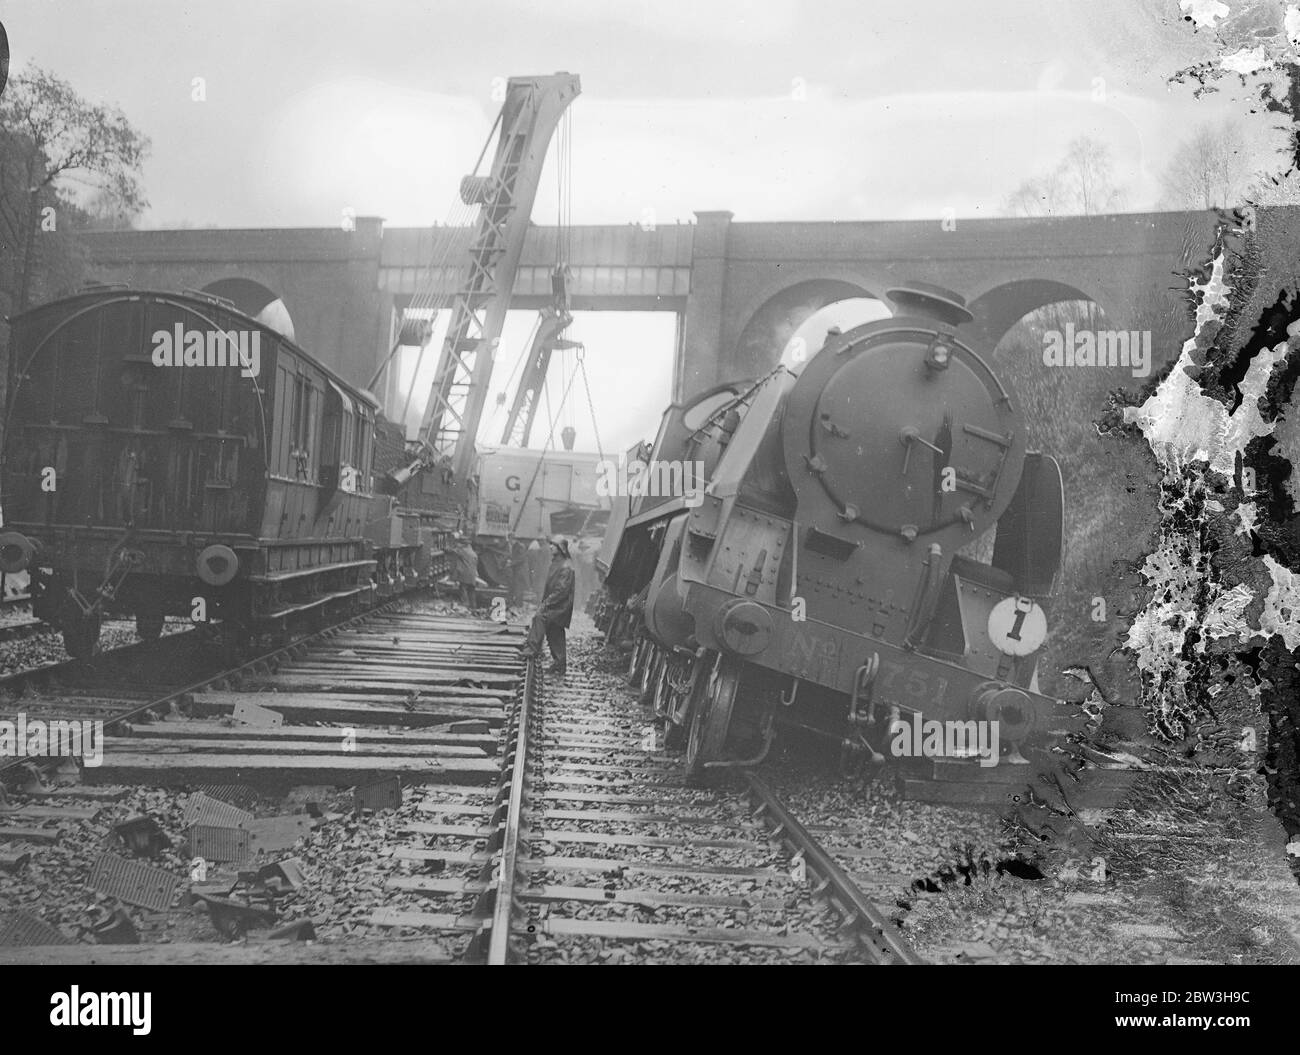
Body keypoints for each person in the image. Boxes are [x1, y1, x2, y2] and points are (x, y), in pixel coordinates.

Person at [521, 536, 575, 675]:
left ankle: (531, 649)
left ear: (561, 549)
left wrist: (546, 604)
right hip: (557, 605)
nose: (550, 547)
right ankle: (559, 664)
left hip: (559, 607)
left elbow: (561, 591)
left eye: (554, 545)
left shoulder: (565, 567)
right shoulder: (558, 563)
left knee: (539, 618)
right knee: (555, 632)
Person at [452, 534, 479, 610]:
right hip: (472, 575)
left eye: (459, 543)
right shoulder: (473, 552)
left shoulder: (462, 551)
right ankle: (473, 607)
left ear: (462, 544)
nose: (458, 544)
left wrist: (445, 548)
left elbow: (452, 551)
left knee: (463, 588)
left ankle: (465, 605)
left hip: (465, 574)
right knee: (471, 590)